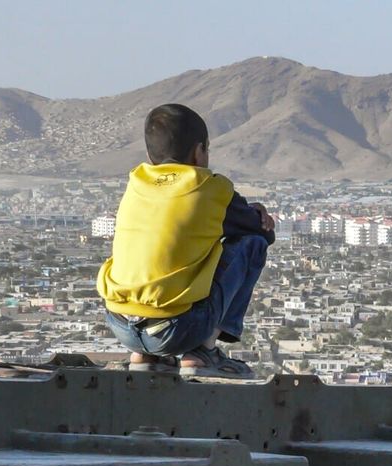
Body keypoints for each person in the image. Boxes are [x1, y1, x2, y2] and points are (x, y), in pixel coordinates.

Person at [97, 103, 275, 378]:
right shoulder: (208, 187)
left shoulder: (136, 183)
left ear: (149, 154)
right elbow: (261, 231)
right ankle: (203, 353)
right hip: (178, 331)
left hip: (120, 324)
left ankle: (146, 357)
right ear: (199, 151)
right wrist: (258, 212)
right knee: (251, 244)